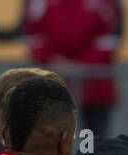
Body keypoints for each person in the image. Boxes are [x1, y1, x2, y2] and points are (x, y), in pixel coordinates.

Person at [23, 0, 122, 139]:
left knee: (93, 144)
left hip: (94, 89)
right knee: (52, 143)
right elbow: (32, 36)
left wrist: (82, 67)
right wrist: (55, 62)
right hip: (53, 89)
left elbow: (111, 37)